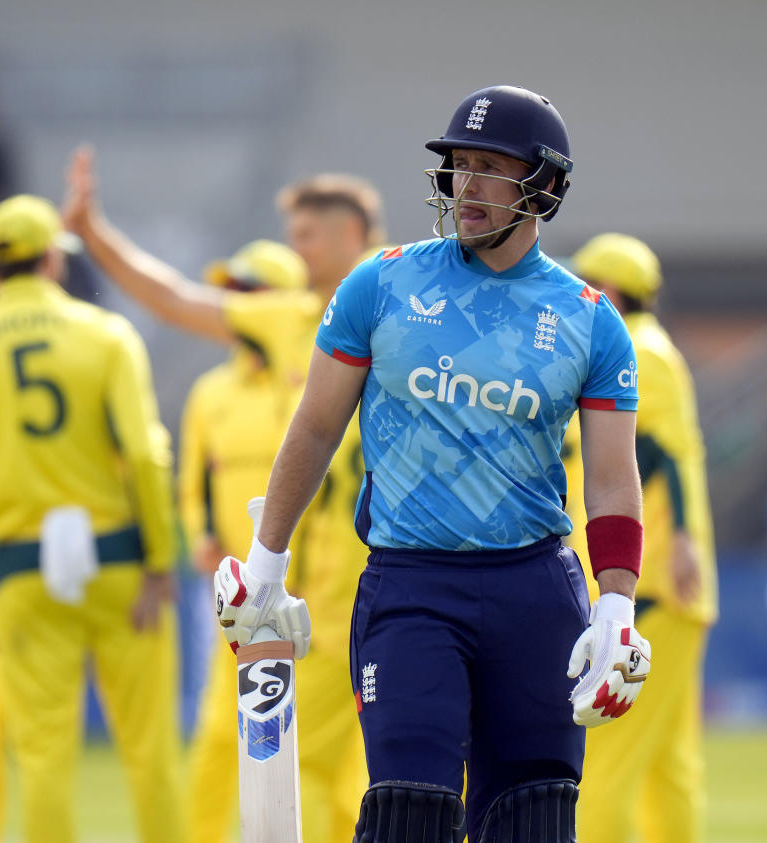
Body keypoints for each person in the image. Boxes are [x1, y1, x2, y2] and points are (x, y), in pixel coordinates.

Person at [212, 86, 653, 843]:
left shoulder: (589, 318)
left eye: (490, 167)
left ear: (544, 186)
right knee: (407, 814)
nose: (467, 185)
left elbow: (613, 476)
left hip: (537, 592)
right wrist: (266, 560)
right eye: (459, 166)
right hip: (410, 588)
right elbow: (315, 427)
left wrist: (617, 604)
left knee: (534, 820)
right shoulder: (381, 283)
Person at [64, 154, 383, 841]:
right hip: (278, 584)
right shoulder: (293, 317)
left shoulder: (409, 300)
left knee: (322, 762)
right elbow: (175, 298)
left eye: (309, 235)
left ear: (355, 231)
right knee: (256, 753)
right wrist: (93, 233)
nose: (296, 249)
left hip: (357, 582)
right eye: (292, 235)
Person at [0, 195, 187, 843]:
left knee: (42, 758)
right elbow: (144, 453)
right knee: (151, 753)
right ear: (52, 259)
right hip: (119, 558)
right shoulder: (105, 333)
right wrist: (161, 559)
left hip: (21, 566)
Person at [563, 233, 718, 843]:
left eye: (588, 286)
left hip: (648, 585)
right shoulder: (659, 350)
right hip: (673, 590)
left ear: (614, 292)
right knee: (668, 765)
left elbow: (655, 455)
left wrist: (677, 539)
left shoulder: (637, 351)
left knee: (610, 756)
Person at [178, 240, 313, 841]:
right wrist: (201, 538)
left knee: (323, 749)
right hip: (240, 602)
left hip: (317, 597)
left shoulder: (312, 382)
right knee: (215, 738)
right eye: (228, 294)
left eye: (247, 293)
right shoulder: (211, 392)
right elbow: (192, 483)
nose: (232, 308)